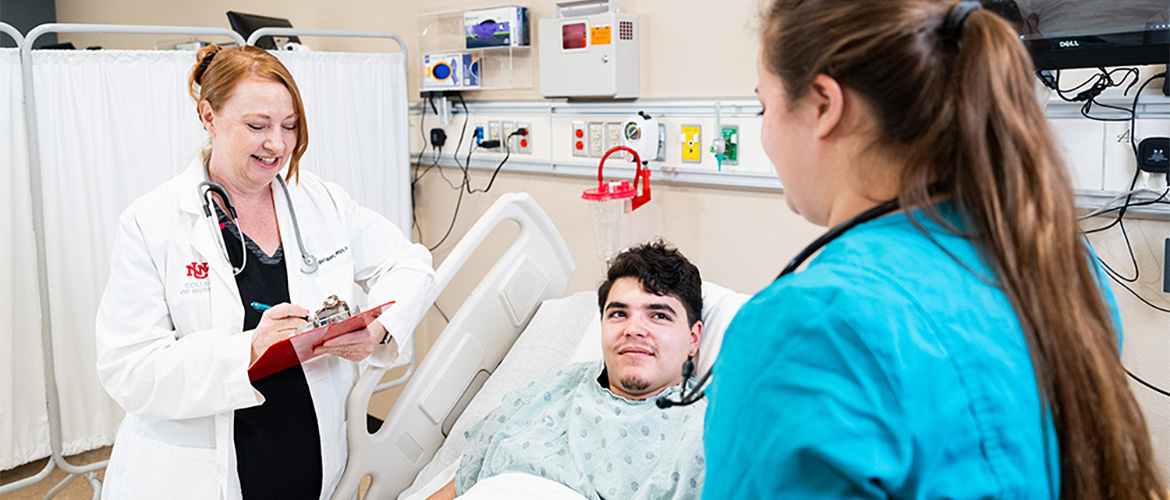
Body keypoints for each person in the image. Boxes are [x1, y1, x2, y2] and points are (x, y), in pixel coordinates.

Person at [704, 1, 1166, 499]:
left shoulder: (805, 328)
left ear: (823, 105)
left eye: (764, 107)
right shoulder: (1062, 266)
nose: (764, 131)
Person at [94, 45, 434, 500]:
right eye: (257, 126)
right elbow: (128, 369)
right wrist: (249, 349)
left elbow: (410, 263)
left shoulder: (321, 201)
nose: (277, 143)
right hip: (200, 471)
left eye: (289, 126)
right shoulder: (152, 223)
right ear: (208, 117)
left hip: (312, 454)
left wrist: (376, 330)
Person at [428, 240, 707, 500]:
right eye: (618, 314)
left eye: (659, 315)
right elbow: (462, 482)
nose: (633, 329)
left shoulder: (704, 432)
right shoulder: (550, 390)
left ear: (693, 338)